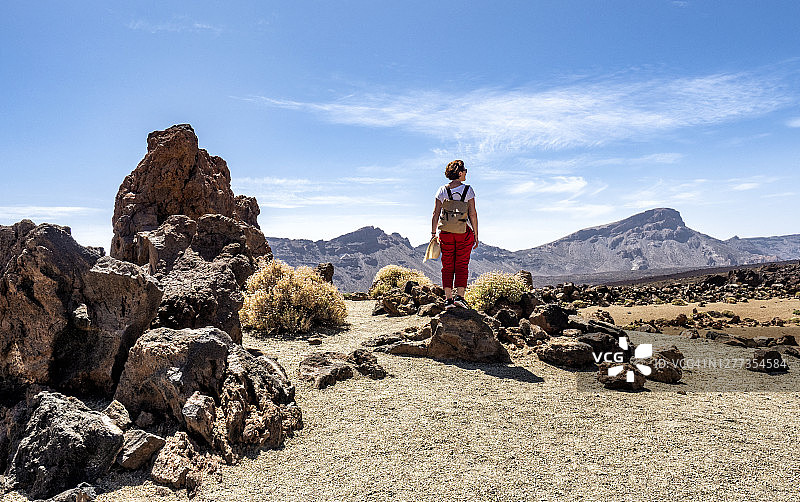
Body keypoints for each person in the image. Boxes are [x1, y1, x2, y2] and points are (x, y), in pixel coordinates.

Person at [431, 159, 478, 308]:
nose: (466, 173)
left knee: (447, 264)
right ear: (459, 173)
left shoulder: (442, 190)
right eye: (465, 171)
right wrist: (476, 234)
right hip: (463, 232)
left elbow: (435, 213)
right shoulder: (468, 190)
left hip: (445, 232)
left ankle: (448, 299)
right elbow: (473, 214)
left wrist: (433, 233)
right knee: (462, 264)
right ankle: (460, 297)